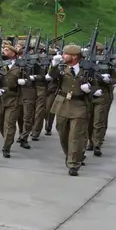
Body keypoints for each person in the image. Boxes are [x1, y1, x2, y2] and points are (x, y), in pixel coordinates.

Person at [48, 44, 95, 175]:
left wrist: (90, 89)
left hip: (79, 105)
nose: (63, 56)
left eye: (65, 54)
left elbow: (97, 86)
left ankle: (74, 164)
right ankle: (71, 154)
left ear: (74, 56)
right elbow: (52, 75)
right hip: (62, 104)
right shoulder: (61, 67)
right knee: (63, 133)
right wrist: (54, 64)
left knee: (76, 136)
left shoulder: (88, 69)